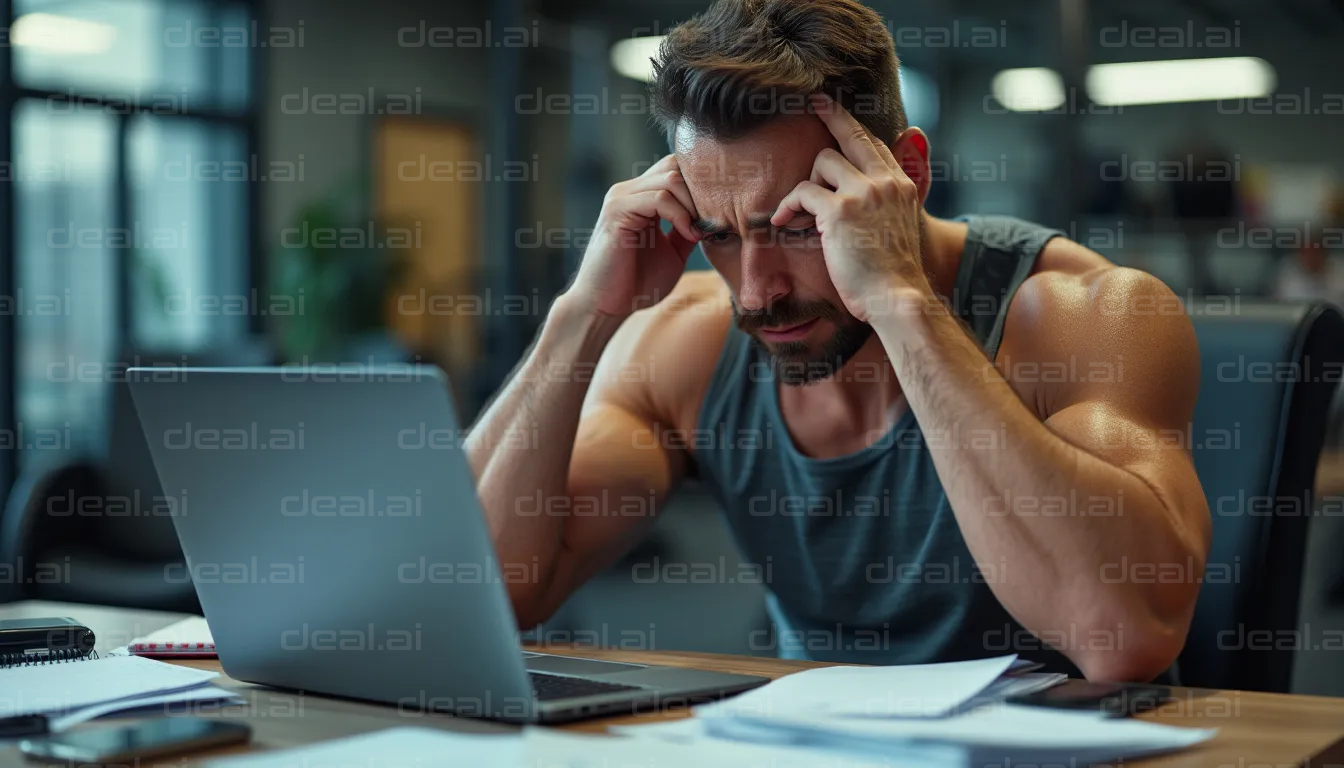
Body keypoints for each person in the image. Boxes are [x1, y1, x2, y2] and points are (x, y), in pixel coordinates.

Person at [467, 0, 1211, 682]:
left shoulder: (1091, 318)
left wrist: (900, 303)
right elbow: (484, 594)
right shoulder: (686, 343)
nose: (756, 292)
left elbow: (1121, 636)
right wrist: (583, 316)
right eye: (718, 236)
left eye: (796, 226)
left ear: (906, 174)